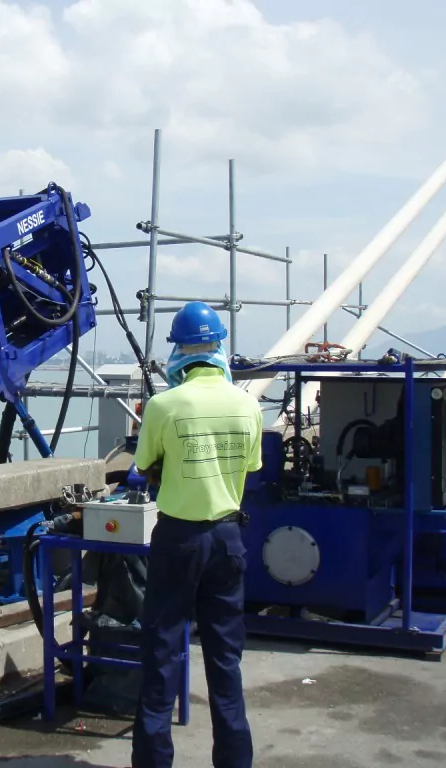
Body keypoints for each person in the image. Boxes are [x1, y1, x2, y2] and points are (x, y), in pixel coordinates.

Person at [130, 302, 263, 768]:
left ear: (179, 350)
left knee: (162, 656)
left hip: (178, 539)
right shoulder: (248, 404)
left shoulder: (164, 405)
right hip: (228, 539)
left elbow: (142, 467)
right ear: (220, 345)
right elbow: (249, 467)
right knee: (226, 661)